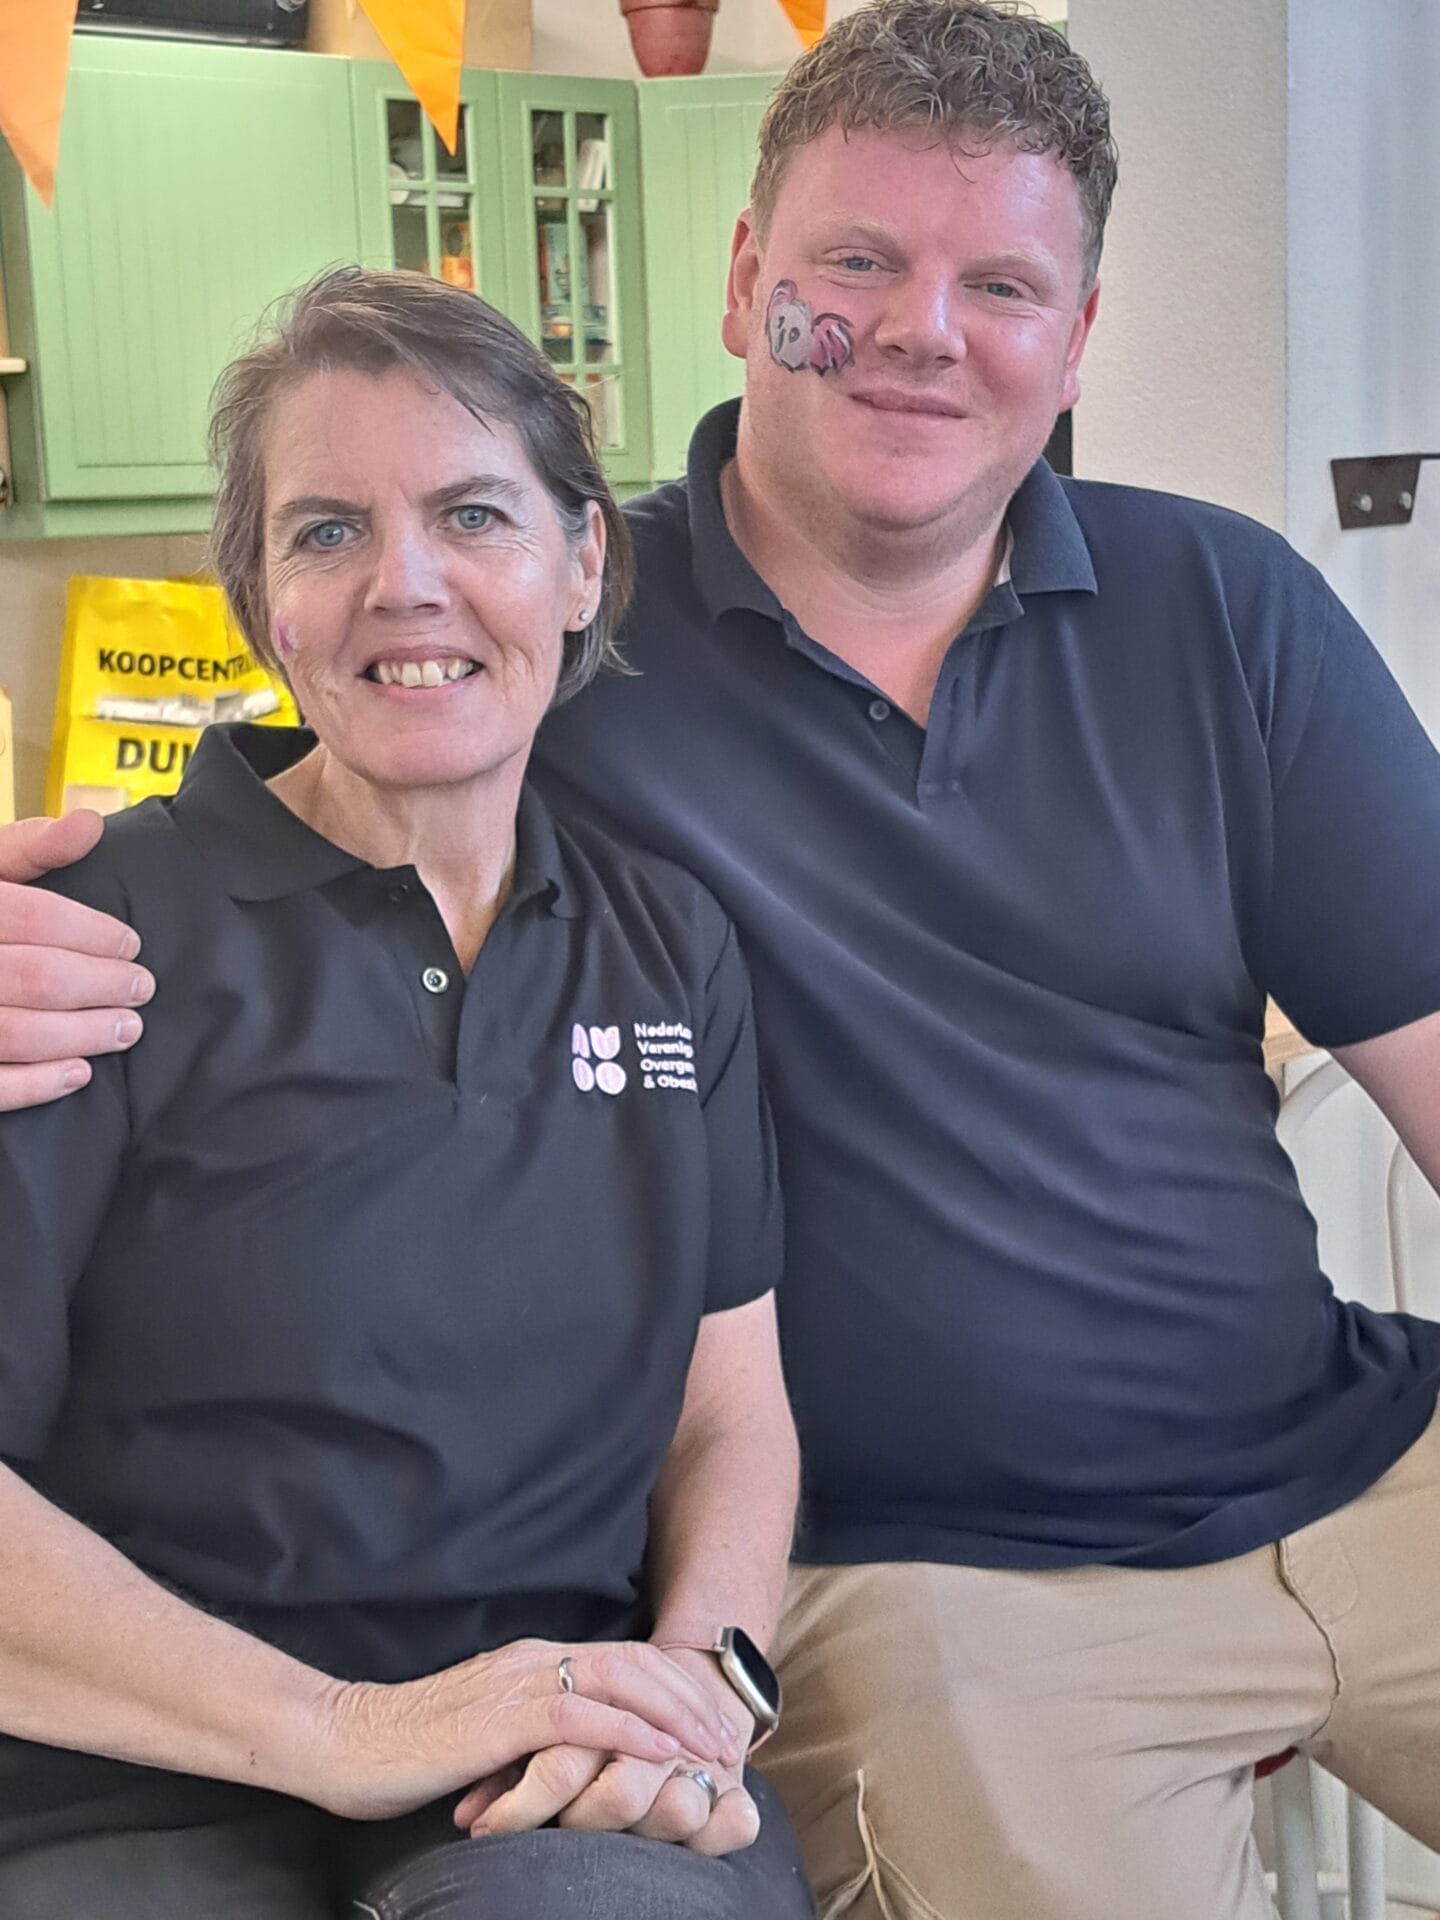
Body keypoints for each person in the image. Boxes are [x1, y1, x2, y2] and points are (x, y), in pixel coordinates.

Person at [5, 3, 1440, 1916]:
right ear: (748, 279)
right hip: (951, 1590)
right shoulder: (563, 640)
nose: (923, 327)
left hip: (1362, 1457)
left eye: (1000, 280)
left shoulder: (1228, 612)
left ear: (1074, 337)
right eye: (857, 261)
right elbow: (354, 733)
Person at [0, 268, 816, 1920]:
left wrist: (702, 1691)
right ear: (259, 606)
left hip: (540, 1762)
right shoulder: (84, 941)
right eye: (325, 533)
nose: (407, 586)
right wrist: (346, 1729)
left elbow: (728, 1412)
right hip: (129, 1773)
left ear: (584, 563)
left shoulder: (671, 949)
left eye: (472, 515)